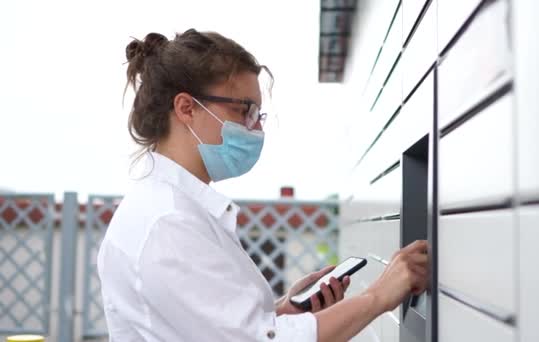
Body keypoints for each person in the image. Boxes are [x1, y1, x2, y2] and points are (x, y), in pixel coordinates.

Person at [97, 29, 429, 342]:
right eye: (244, 110)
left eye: (258, 114)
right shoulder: (167, 223)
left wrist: (284, 309)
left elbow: (213, 327)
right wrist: (379, 296)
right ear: (186, 108)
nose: (255, 127)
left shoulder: (175, 210)